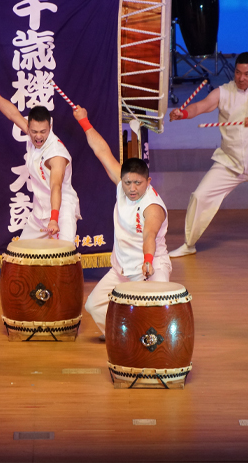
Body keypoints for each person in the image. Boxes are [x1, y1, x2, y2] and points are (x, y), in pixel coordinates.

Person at [167, 52, 248, 257]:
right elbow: (201, 106)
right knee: (200, 197)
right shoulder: (223, 92)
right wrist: (183, 114)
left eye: (247, 74)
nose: (241, 78)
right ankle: (188, 244)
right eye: (237, 72)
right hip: (228, 163)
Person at [71, 107, 170, 339]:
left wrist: (147, 261)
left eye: (138, 183)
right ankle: (124, 340)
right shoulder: (122, 185)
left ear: (148, 181)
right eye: (127, 183)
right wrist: (84, 121)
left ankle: (148, 344)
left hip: (149, 268)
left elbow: (149, 235)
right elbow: (102, 151)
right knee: (94, 305)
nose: (132, 188)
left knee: (155, 315)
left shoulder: (153, 207)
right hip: (122, 269)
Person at [0, 82, 80, 242]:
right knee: (22, 253)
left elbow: (56, 187)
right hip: (39, 212)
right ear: (29, 127)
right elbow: (12, 114)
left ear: (50, 127)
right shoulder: (32, 132)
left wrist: (54, 219)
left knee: (64, 254)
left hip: (61, 212)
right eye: (34, 131)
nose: (38, 136)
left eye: (43, 132)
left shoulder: (56, 155)